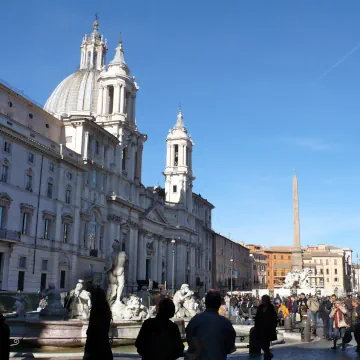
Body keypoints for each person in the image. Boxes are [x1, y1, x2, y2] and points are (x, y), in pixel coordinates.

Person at [186, 291, 236, 360]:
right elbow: (230, 348)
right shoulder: (226, 323)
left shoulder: (195, 320)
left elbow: (189, 339)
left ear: (205, 303)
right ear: (219, 304)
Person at [83, 288, 113, 360]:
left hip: (94, 345)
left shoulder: (95, 310)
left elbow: (92, 328)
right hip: (104, 344)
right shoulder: (107, 309)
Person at [255, 295, 277, 360]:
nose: (262, 300)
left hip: (268, 329)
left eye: (264, 299)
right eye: (262, 299)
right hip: (261, 329)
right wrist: (256, 326)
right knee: (261, 343)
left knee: (266, 344)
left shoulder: (271, 307)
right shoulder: (260, 307)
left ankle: (267, 356)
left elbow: (274, 317)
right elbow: (257, 317)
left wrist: (273, 326)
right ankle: (268, 354)